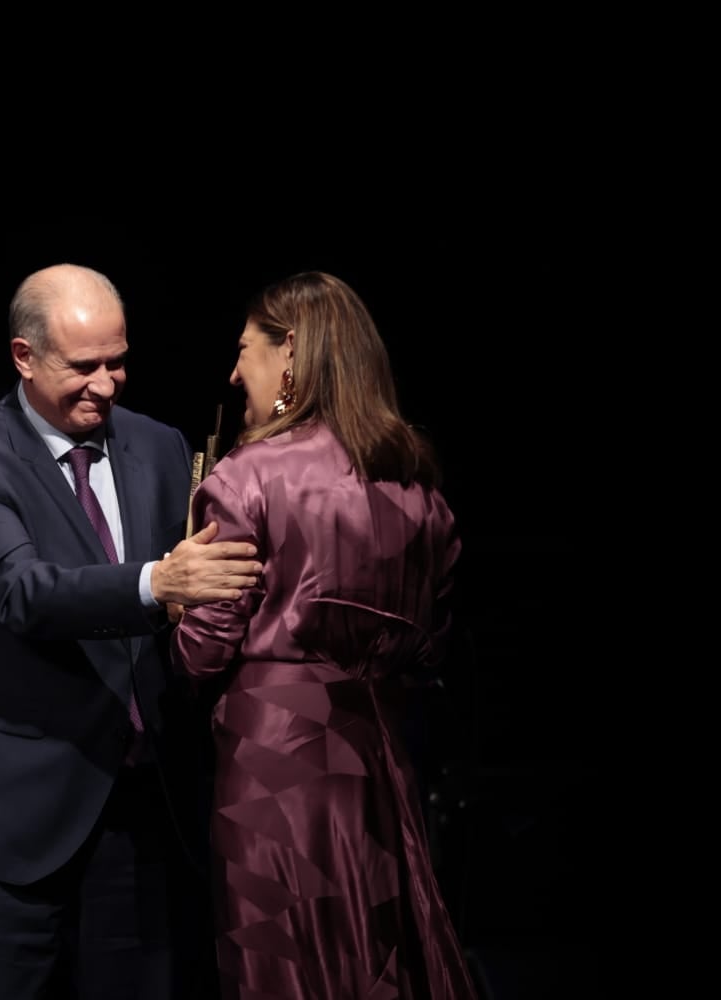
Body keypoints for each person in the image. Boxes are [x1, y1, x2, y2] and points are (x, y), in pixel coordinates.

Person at [0, 262, 265, 1000]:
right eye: (83, 366)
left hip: (139, 816)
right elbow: (19, 591)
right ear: (23, 357)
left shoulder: (162, 447)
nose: (106, 383)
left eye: (118, 362)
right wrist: (155, 582)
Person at [170, 271, 479, 998]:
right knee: (371, 964)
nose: (234, 370)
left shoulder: (244, 479)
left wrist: (177, 605)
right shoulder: (417, 488)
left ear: (291, 356)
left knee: (276, 967)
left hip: (270, 766)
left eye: (246, 349)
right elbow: (433, 645)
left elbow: (201, 652)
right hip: (376, 757)